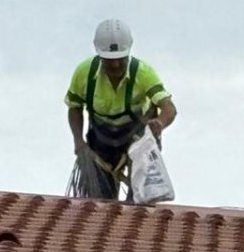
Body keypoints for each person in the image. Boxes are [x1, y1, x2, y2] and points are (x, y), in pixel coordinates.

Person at [66, 19, 177, 199]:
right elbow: (74, 108)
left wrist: (160, 122)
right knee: (99, 202)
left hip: (136, 141)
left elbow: (169, 107)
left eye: (120, 59)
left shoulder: (143, 74)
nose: (115, 65)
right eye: (110, 60)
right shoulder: (84, 73)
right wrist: (78, 141)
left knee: (140, 200)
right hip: (100, 143)